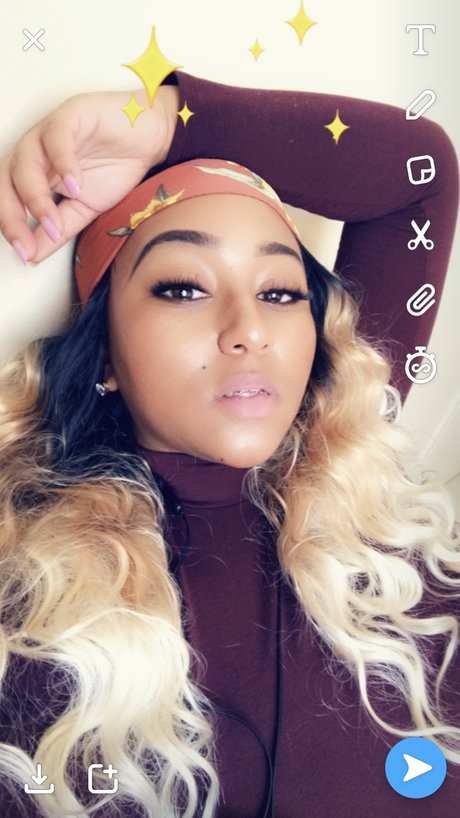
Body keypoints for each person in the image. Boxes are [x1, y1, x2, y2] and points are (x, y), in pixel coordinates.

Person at [0, 72, 459, 818]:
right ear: (105, 353)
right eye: (183, 287)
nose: (250, 329)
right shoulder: (32, 593)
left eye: (280, 293)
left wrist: (169, 123)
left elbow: (421, 171)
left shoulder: (360, 470)